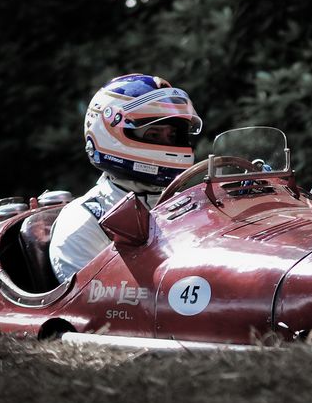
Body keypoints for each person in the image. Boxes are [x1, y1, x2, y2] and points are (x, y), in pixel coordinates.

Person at [48, 73, 202, 283]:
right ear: (111, 134)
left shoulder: (188, 203)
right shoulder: (85, 222)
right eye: (154, 135)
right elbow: (96, 309)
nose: (168, 143)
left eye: (172, 136)